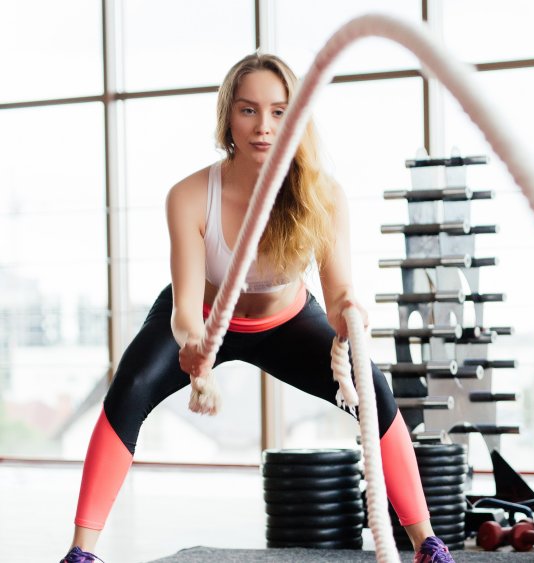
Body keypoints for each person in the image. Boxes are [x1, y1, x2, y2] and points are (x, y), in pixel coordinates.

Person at [61, 53, 455, 563]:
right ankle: (80, 551)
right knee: (130, 387)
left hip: (286, 322)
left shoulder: (323, 196)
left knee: (374, 387)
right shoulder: (187, 196)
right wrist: (195, 348)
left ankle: (426, 542)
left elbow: (337, 295)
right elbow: (183, 306)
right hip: (204, 318)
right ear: (228, 116)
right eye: (248, 111)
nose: (263, 126)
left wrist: (349, 315)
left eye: (277, 111)